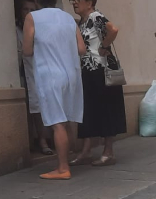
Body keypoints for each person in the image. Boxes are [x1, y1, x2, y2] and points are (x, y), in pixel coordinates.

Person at [24, 0, 86, 179]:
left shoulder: (32, 17)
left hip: (50, 74)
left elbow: (27, 50)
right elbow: (81, 49)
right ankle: (67, 160)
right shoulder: (68, 18)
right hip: (71, 74)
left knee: (57, 123)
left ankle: (63, 168)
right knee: (65, 121)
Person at [68, 0, 127, 167]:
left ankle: (108, 152)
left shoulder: (95, 16)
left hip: (101, 71)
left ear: (89, 2)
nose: (74, 2)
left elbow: (113, 29)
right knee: (87, 111)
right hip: (88, 71)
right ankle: (86, 151)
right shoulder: (82, 21)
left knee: (105, 109)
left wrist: (105, 46)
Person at [16, 0, 52, 156]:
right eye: (25, 9)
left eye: (32, 9)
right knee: (28, 108)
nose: (28, 12)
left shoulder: (39, 29)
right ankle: (32, 140)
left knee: (39, 106)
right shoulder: (15, 29)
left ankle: (43, 140)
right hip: (21, 73)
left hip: (37, 71)